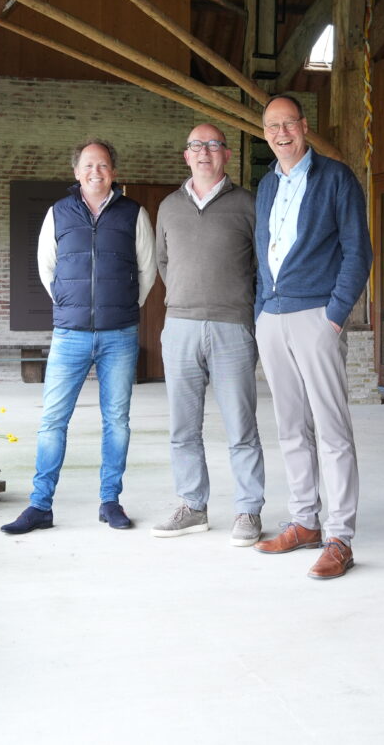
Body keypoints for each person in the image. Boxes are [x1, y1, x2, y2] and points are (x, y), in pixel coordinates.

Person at [1, 138, 156, 533]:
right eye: (88, 165)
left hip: (119, 334)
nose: (95, 172)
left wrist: (121, 306)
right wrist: (71, 304)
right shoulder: (58, 213)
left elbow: (147, 270)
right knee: (53, 420)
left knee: (116, 421)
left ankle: (110, 501)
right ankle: (40, 505)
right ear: (76, 172)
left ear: (113, 172)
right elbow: (46, 267)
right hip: (69, 334)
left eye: (102, 165)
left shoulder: (134, 214)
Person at [252, 95, 372, 580]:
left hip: (317, 316)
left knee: (331, 429)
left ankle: (339, 537)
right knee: (290, 426)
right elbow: (263, 251)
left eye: (289, 124)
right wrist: (260, 311)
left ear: (304, 126)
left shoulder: (336, 178)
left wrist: (335, 316)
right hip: (272, 316)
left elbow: (358, 252)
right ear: (265, 134)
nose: (281, 133)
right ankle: (304, 521)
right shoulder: (266, 185)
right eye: (272, 126)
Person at [150, 123, 265, 546]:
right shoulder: (168, 206)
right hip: (180, 325)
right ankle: (192, 506)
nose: (204, 152)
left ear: (226, 155)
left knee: (241, 427)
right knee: (183, 428)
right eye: (196, 146)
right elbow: (164, 262)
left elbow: (262, 265)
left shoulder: (247, 204)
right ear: (186, 155)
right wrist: (188, 297)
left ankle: (248, 510)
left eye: (213, 145)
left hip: (232, 326)